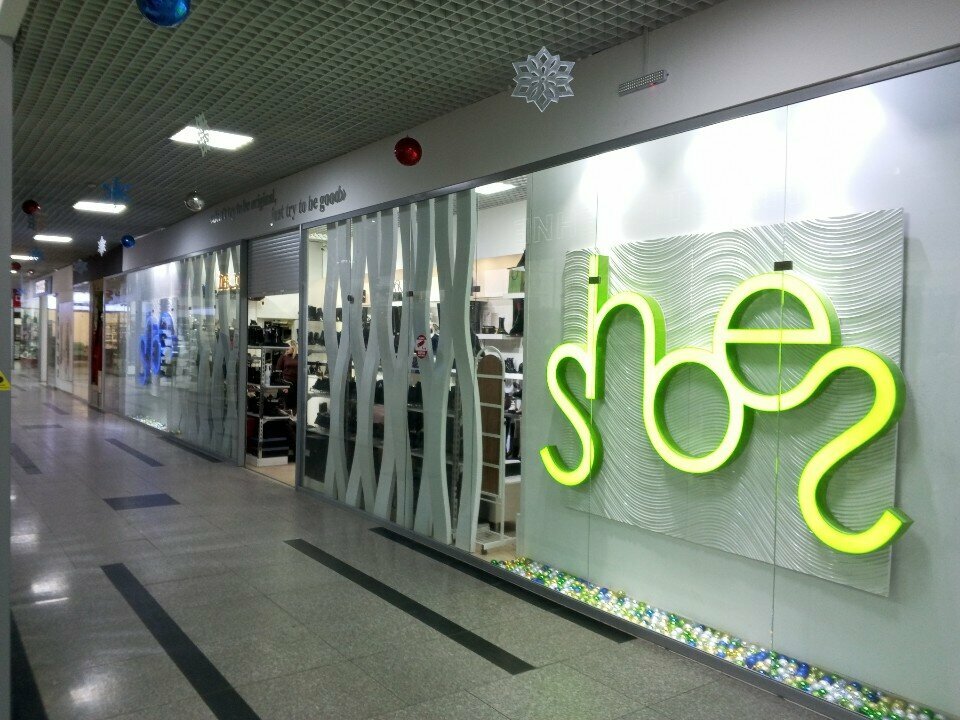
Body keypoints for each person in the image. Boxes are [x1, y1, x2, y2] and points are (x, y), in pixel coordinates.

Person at [275, 340, 299, 414]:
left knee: (295, 407)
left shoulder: (299, 357)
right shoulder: (283, 357)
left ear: (293, 347)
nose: (286, 349)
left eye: (288, 347)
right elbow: (277, 372)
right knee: (286, 407)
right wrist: (282, 386)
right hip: (286, 383)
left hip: (296, 384)